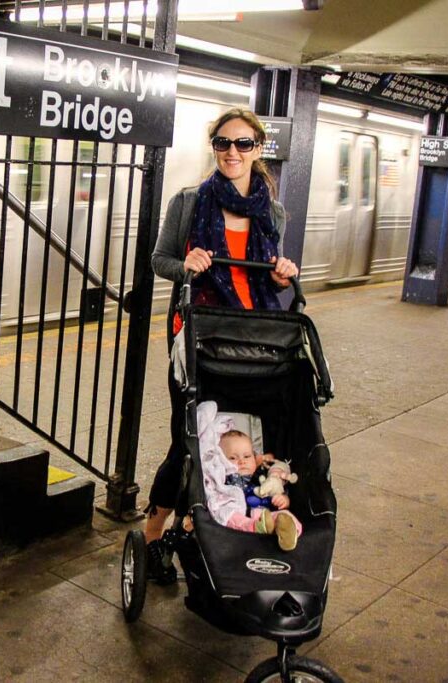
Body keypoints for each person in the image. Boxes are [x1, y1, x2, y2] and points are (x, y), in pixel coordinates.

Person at [144, 108, 300, 584]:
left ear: (258, 150)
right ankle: (154, 536)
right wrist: (185, 264)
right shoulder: (190, 201)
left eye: (244, 144)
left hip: (253, 338)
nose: (233, 152)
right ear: (214, 147)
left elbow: (270, 270)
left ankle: (213, 526)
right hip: (197, 337)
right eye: (224, 143)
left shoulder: (272, 210)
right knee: (186, 443)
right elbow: (159, 259)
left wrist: (283, 272)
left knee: (239, 445)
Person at [185, 402, 300, 552]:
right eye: (232, 458)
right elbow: (210, 492)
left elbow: (278, 487)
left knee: (286, 516)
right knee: (229, 515)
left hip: (265, 513)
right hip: (240, 516)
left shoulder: (263, 475)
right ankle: (254, 527)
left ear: (256, 457)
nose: (242, 461)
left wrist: (283, 499)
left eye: (247, 456)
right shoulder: (223, 478)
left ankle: (289, 535)